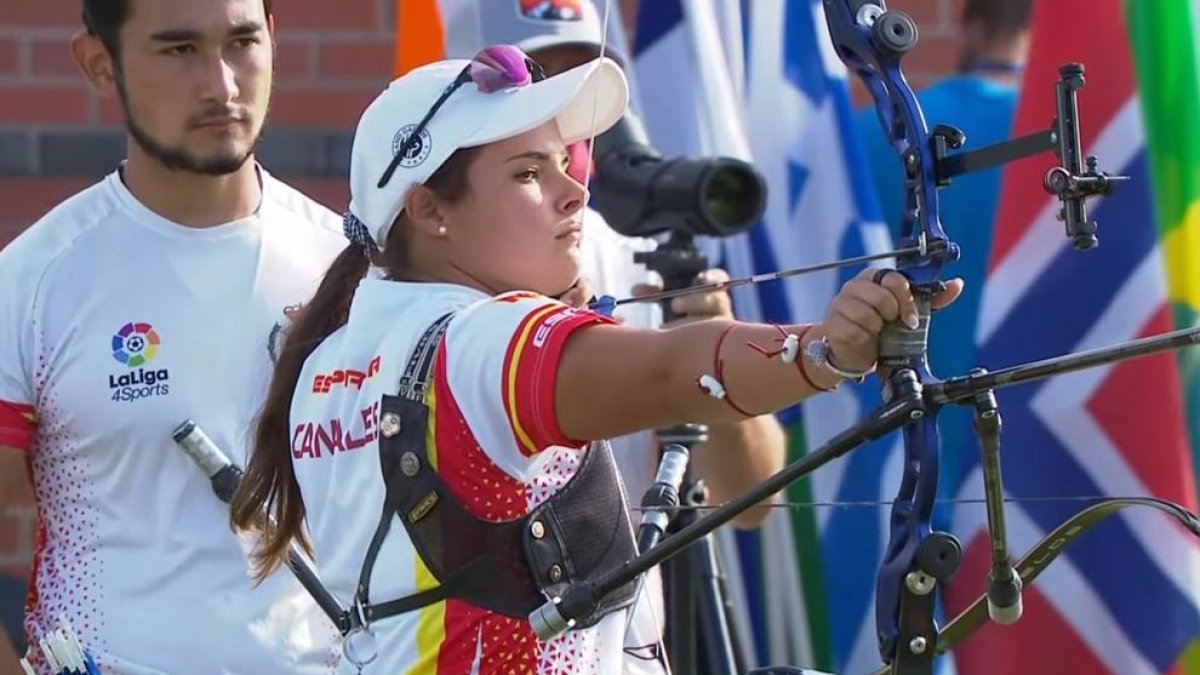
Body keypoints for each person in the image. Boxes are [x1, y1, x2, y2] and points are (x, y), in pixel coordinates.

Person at [231, 46, 962, 674]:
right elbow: (670, 372)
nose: (574, 190)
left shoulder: (329, 360)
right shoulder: (482, 340)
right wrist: (827, 350)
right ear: (428, 210)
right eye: (528, 174)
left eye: (562, 163)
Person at [0, 0, 347, 672]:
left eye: (242, 41)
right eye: (179, 49)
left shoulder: (348, 271)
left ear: (272, 39)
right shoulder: (33, 281)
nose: (221, 84)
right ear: (100, 64)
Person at [442, 0, 787, 526]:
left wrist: (714, 358)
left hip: (633, 581)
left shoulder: (640, 263)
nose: (567, 105)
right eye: (538, 75)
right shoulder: (413, 268)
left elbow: (752, 503)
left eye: (584, 77)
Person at [853, 0, 1031, 495]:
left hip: (900, 424)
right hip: (1031, 425)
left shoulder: (873, 133)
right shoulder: (1062, 141)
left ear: (970, 27)